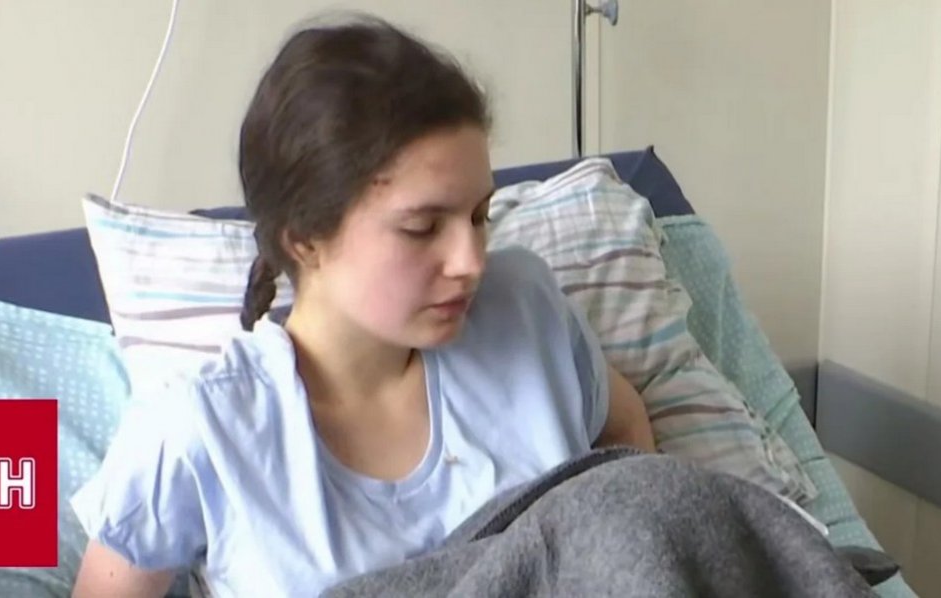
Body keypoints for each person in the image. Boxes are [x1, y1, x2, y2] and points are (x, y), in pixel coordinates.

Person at [70, 14, 655, 598]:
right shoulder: (204, 428)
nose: (470, 260)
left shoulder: (526, 311)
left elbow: (628, 440)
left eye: (480, 216)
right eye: (422, 227)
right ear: (306, 240)